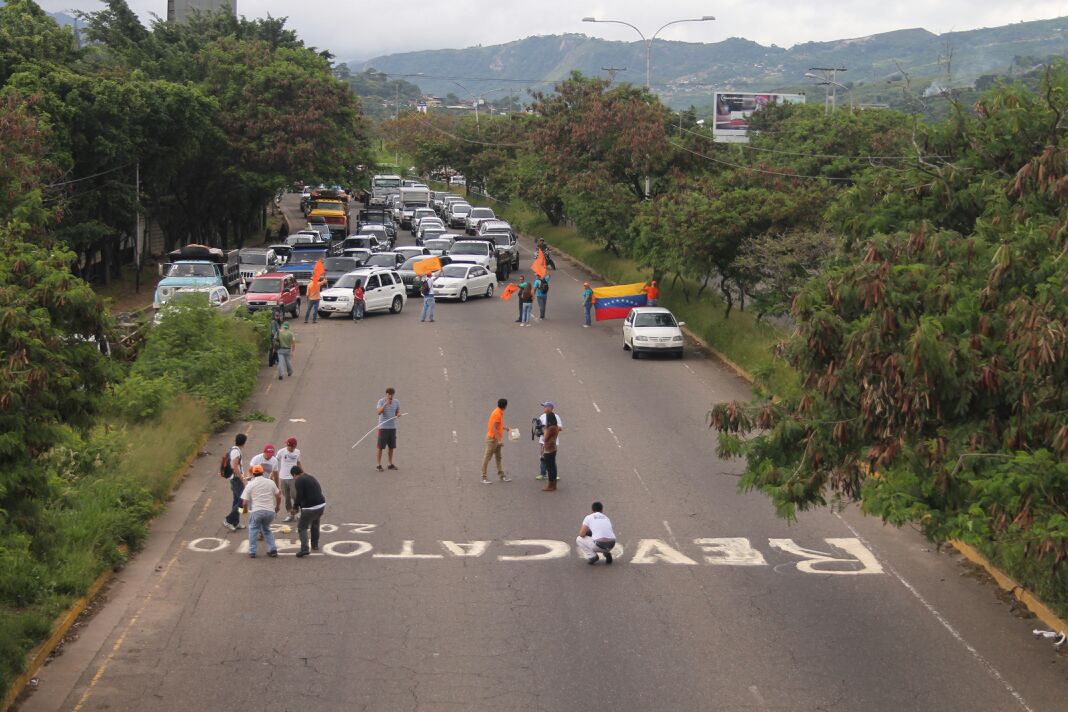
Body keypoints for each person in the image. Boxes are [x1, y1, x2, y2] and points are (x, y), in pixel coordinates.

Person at [241, 464, 281, 558]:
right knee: (267, 529)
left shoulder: (250, 485)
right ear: (263, 472)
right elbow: (278, 496)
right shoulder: (270, 482)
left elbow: (245, 503)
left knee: (253, 530)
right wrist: (277, 507)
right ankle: (272, 549)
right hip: (270, 511)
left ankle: (252, 551)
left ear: (253, 474)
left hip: (257, 511)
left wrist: (245, 511)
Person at [291, 466, 326, 557]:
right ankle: (315, 545)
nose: (293, 479)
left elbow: (299, 495)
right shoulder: (310, 477)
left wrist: (295, 507)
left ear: (294, 474)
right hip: (321, 505)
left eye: (293, 477)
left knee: (302, 527)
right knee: (315, 524)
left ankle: (304, 549)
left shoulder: (299, 480)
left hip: (310, 508)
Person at [481, 398, 510, 484]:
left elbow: (498, 426)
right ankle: (484, 477)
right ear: (505, 406)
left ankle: (501, 475)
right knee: (487, 457)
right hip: (493, 439)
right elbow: (494, 428)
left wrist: (506, 428)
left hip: (495, 439)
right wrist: (499, 440)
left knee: (498, 457)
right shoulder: (498, 414)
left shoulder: (498, 412)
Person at [223, 433, 247, 532]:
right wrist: (243, 479)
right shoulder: (236, 452)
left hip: (234, 479)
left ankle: (235, 522)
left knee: (236, 501)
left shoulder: (233, 449)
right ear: (244, 442)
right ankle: (228, 520)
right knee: (241, 501)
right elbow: (235, 467)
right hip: (237, 479)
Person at [535, 401, 564, 481]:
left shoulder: (556, 417)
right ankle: (543, 474)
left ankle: (554, 475)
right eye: (544, 406)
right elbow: (539, 427)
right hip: (543, 440)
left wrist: (550, 428)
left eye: (545, 407)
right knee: (543, 457)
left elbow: (560, 428)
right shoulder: (542, 416)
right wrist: (540, 428)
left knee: (551, 458)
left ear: (550, 408)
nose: (544, 408)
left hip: (552, 441)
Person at [277, 437, 302, 522]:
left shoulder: (297, 452)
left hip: (293, 478)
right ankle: (290, 514)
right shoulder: (281, 452)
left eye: (291, 447)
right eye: (288, 446)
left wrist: (302, 473)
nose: (289, 448)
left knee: (295, 495)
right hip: (283, 478)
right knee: (287, 497)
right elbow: (275, 461)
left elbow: (298, 463)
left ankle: (298, 512)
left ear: (294, 447)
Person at [375, 387, 401, 471]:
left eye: (392, 394)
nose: (390, 396)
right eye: (389, 394)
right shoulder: (381, 401)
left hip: (392, 428)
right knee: (380, 447)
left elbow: (397, 411)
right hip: (383, 428)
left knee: (391, 447)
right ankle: (378, 465)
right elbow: (378, 412)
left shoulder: (396, 402)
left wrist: (398, 413)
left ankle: (390, 464)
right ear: (386, 394)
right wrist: (385, 404)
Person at [541, 412, 561, 492]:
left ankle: (550, 485)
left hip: (549, 449)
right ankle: (554, 484)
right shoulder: (555, 427)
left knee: (550, 468)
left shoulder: (550, 428)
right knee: (553, 467)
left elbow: (545, 439)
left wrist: (545, 429)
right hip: (553, 448)